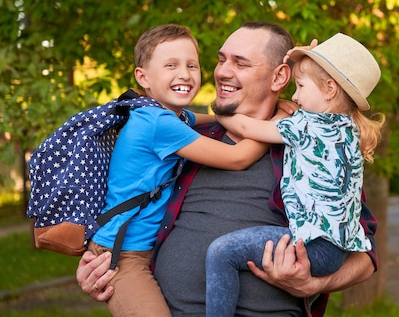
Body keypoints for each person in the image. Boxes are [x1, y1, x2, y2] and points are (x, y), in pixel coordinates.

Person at [76, 21, 378, 317]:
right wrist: (99, 269)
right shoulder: (189, 143)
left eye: (240, 63)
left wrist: (314, 282)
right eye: (221, 60)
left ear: (279, 78)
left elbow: (365, 255)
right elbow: (123, 210)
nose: (221, 71)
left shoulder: (318, 153)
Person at [89, 24, 269, 317]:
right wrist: (280, 124)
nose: (184, 74)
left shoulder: (170, 115)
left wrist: (241, 117)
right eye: (170, 65)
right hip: (122, 257)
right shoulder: (159, 124)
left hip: (139, 252)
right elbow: (238, 158)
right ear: (142, 77)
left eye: (192, 65)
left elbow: (216, 119)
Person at [206, 33, 385, 317]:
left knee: (222, 252)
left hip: (313, 247)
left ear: (329, 89)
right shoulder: (348, 131)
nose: (296, 95)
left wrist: (218, 111)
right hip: (333, 250)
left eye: (300, 86)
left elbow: (246, 127)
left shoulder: (306, 127)